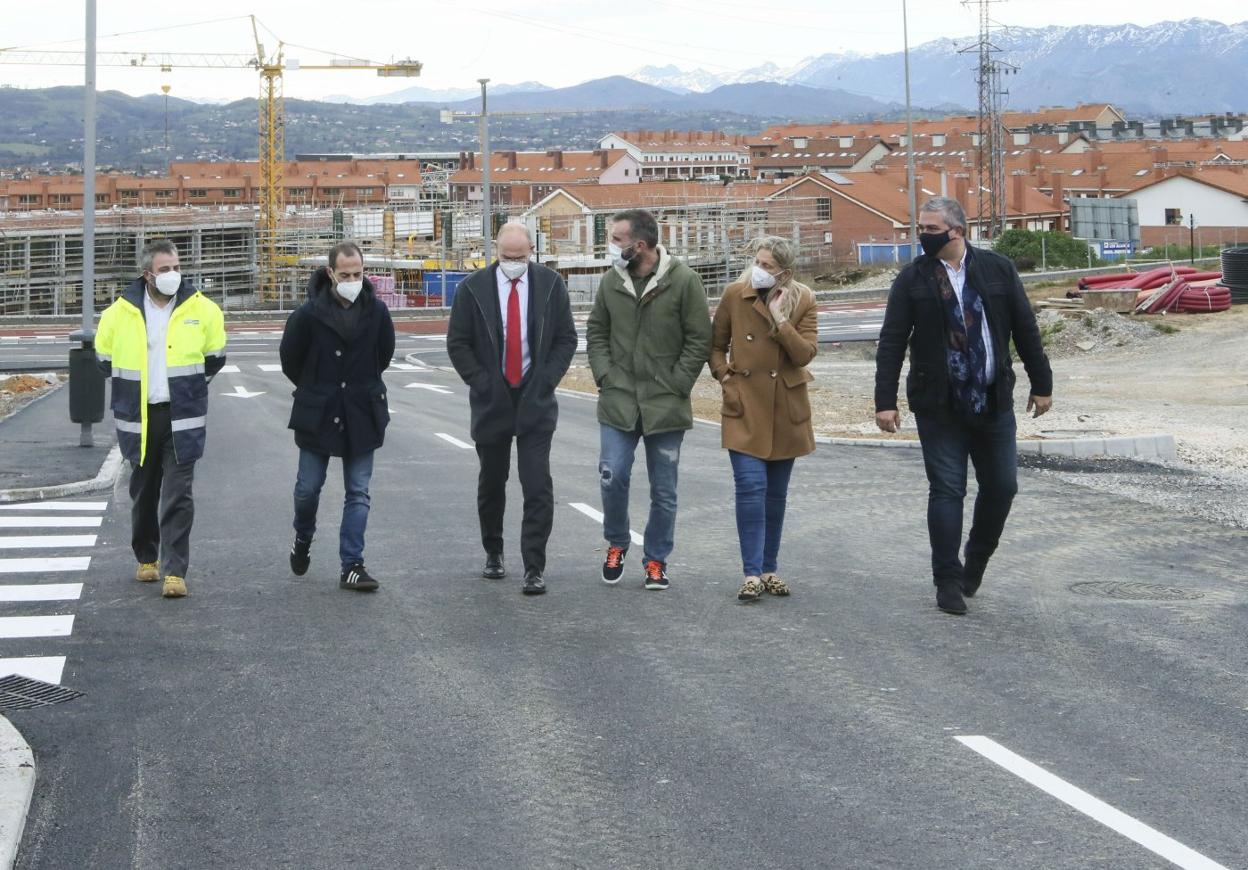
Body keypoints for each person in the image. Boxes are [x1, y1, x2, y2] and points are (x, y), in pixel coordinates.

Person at [874, 196, 1053, 615]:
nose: (923, 235)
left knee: (1003, 486)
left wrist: (1042, 384)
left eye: (931, 228)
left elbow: (1025, 329)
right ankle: (947, 580)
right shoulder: (913, 279)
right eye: (921, 227)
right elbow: (892, 341)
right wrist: (885, 401)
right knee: (947, 489)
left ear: (958, 231)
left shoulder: (998, 269)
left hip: (992, 401)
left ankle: (977, 558)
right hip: (938, 405)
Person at [447, 222, 578, 596]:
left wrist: (545, 381)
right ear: (496, 251)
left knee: (538, 486)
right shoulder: (472, 289)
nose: (513, 263)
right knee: (492, 482)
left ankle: (534, 566)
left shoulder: (551, 286)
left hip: (535, 400)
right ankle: (494, 552)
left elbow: (566, 339)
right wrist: (484, 383)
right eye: (507, 257)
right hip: (493, 402)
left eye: (520, 258)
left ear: (531, 253)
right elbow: (458, 343)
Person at [586, 208, 712, 590]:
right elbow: (596, 332)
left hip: (665, 402)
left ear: (639, 246)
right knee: (612, 476)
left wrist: (678, 383)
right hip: (619, 399)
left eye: (617, 240)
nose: (611, 246)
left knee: (664, 490)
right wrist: (606, 375)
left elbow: (699, 339)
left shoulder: (684, 281)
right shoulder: (611, 282)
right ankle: (616, 542)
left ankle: (656, 559)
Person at [95, 239, 226, 599]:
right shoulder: (118, 313)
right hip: (139, 417)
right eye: (165, 269)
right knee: (144, 490)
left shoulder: (203, 309)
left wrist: (188, 389)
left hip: (182, 415)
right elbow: (103, 358)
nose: (173, 275)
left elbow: (215, 356)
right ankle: (147, 556)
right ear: (147, 273)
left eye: (176, 267)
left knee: (178, 493)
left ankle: (174, 570)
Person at [280, 241, 395, 592]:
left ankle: (352, 565)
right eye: (345, 274)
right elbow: (290, 360)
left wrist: (359, 388)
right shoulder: (307, 315)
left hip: (362, 412)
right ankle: (303, 537)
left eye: (358, 274)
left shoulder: (376, 312)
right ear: (330, 273)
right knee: (307, 489)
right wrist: (318, 389)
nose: (352, 279)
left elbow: (384, 355)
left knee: (358, 491)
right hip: (319, 412)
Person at [710, 237, 818, 602]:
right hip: (744, 405)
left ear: (784, 273)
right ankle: (751, 573)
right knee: (750, 487)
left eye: (768, 265)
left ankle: (769, 568)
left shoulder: (804, 299)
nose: (759, 269)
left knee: (775, 495)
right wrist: (724, 375)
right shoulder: (734, 294)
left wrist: (780, 319)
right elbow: (715, 345)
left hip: (785, 407)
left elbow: (804, 355)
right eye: (757, 261)